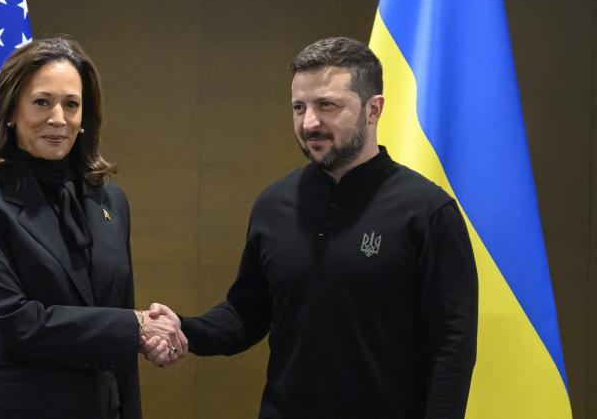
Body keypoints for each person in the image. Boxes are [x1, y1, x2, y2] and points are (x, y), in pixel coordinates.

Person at [144, 37, 478, 418]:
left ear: (374, 110)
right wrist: (182, 329)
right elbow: (245, 315)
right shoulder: (273, 205)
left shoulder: (428, 212)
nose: (309, 123)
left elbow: (453, 347)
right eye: (299, 107)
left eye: (327, 106)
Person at [0, 35, 186, 419]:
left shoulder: (109, 201)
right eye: (41, 102)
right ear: (10, 110)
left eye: (71, 104)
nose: (58, 118)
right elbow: (13, 325)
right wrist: (132, 327)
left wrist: (141, 337)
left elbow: (116, 319)